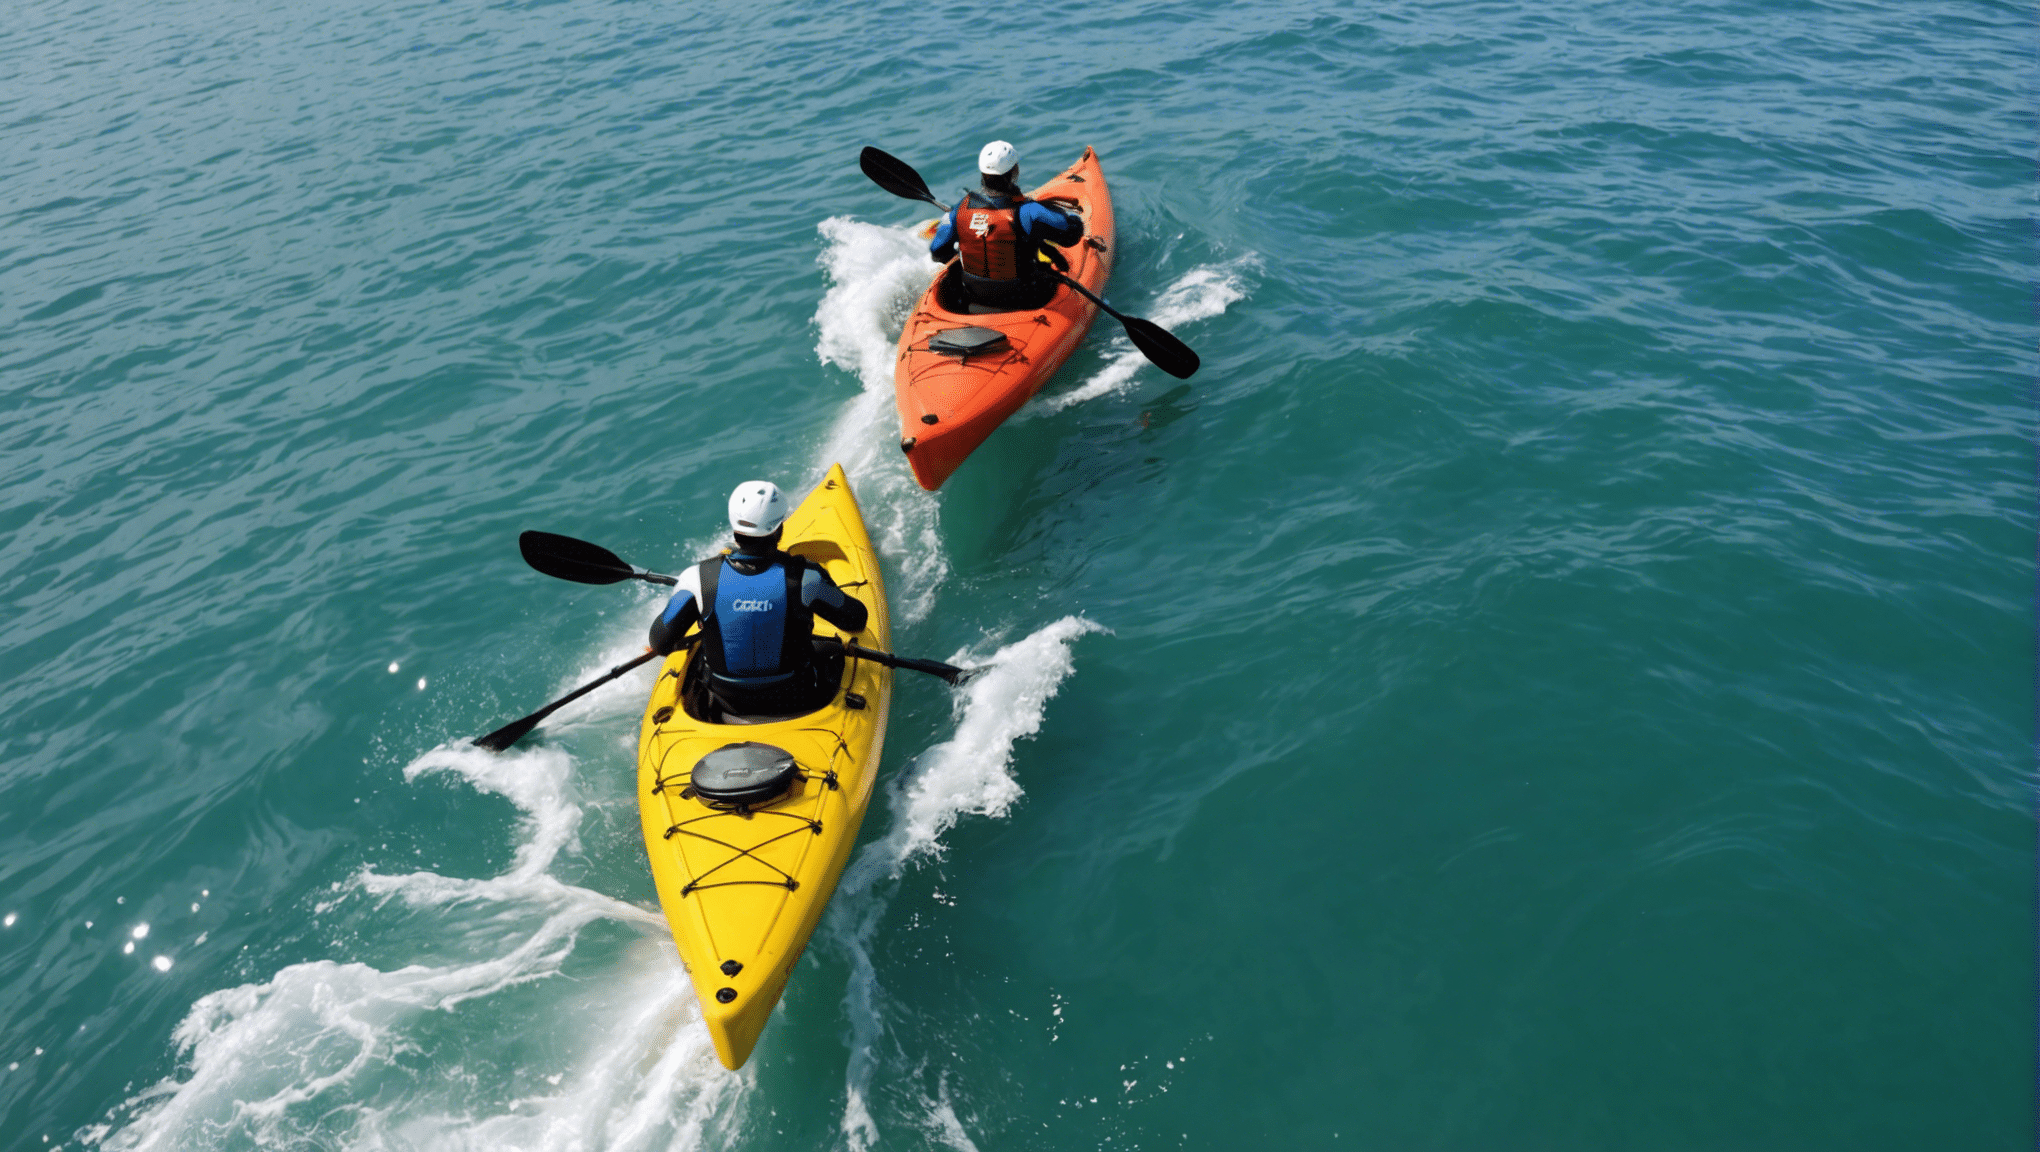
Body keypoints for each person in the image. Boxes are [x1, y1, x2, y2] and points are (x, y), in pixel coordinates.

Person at [647, 480, 869, 719]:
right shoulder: (806, 577)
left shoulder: (698, 577)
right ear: (779, 528)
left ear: (734, 526)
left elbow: (660, 643)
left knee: (702, 650)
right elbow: (856, 620)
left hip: (726, 703)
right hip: (796, 698)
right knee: (832, 649)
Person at [928, 140, 1085, 314]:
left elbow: (938, 251)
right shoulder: (1029, 211)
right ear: (1015, 171)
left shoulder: (959, 209)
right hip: (1025, 297)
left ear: (983, 173)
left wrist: (969, 254)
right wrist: (1068, 216)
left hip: (974, 294)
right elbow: (1071, 235)